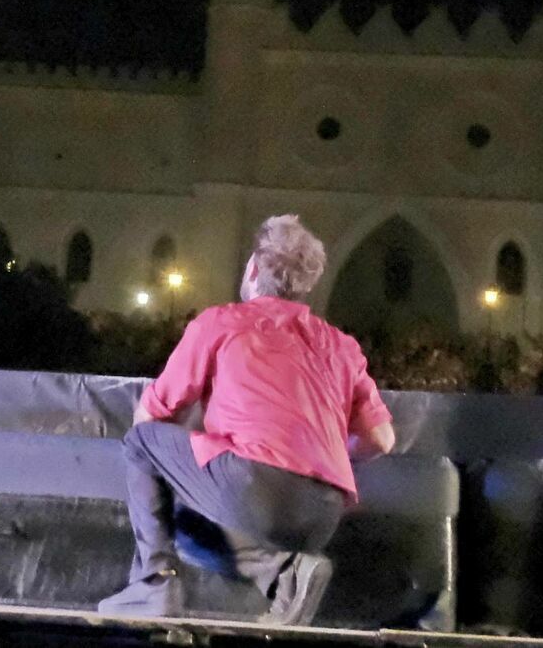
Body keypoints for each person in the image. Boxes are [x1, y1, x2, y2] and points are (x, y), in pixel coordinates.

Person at [97, 214, 395, 625]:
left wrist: (196, 464)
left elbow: (151, 417)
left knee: (141, 444)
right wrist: (318, 457)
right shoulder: (341, 345)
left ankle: (153, 584)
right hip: (323, 512)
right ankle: (287, 573)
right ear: (305, 283)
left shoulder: (221, 323)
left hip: (253, 489)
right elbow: (381, 439)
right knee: (194, 521)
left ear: (253, 268)